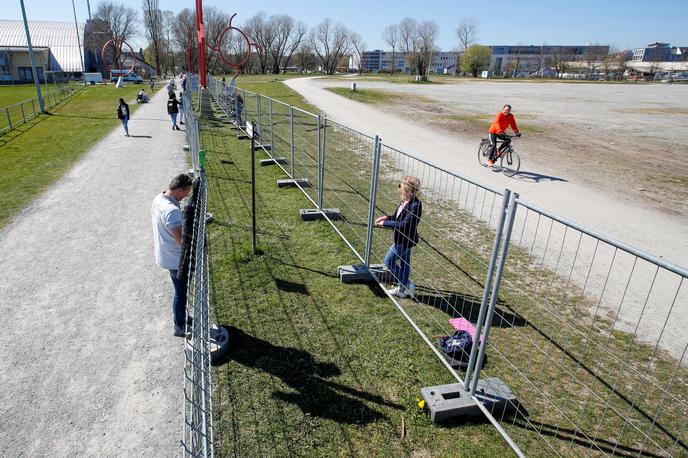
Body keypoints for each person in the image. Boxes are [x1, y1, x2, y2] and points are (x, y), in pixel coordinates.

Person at [151, 173, 194, 337]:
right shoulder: (172, 212)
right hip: (176, 260)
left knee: (180, 290)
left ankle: (182, 316)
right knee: (180, 292)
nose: (186, 197)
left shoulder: (159, 199)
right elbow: (180, 242)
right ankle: (179, 326)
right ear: (180, 190)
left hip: (165, 254)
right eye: (186, 193)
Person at [375, 176, 423, 298]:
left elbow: (404, 225)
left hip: (405, 241)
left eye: (400, 186)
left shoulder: (416, 205)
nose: (399, 189)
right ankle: (402, 290)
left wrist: (385, 224)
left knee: (388, 261)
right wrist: (386, 218)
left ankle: (407, 284)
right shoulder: (404, 201)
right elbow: (398, 217)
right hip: (400, 239)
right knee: (404, 264)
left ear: (407, 189)